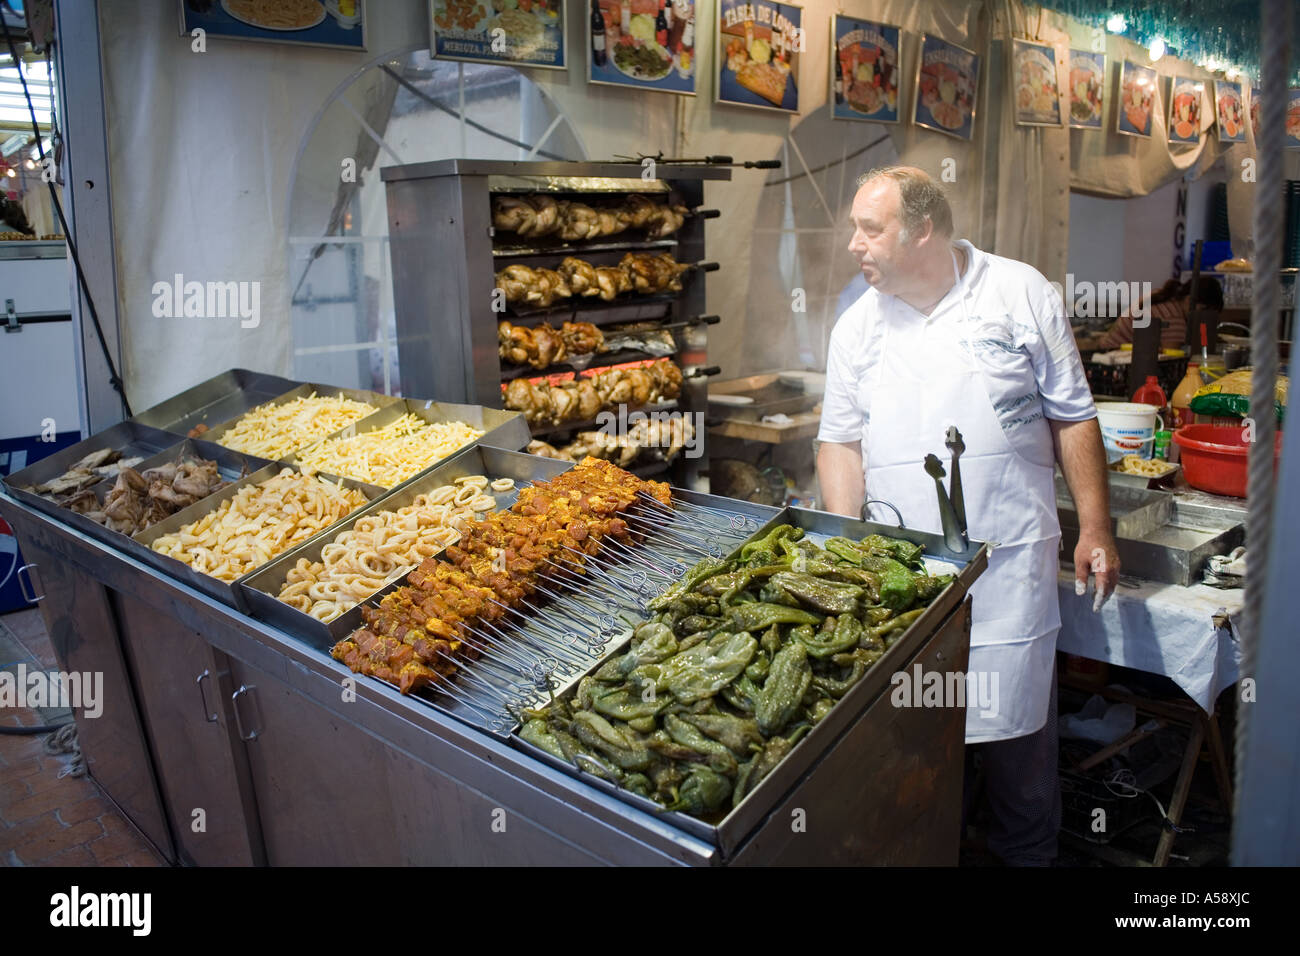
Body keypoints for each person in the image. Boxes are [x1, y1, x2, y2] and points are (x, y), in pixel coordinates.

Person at [816, 166, 1120, 866]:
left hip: (1009, 573)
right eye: (854, 228)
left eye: (871, 229)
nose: (854, 245)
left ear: (923, 229)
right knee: (913, 767)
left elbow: (1074, 416)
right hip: (904, 587)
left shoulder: (1018, 293)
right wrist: (848, 546)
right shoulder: (857, 326)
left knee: (1021, 769)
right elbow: (839, 439)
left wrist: (1097, 527)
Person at [1095, 276, 1224, 350]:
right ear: (1189, 300)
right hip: (1115, 356)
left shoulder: (1166, 299)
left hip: (1105, 350)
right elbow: (1170, 355)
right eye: (1203, 311)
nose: (1203, 319)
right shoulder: (1174, 317)